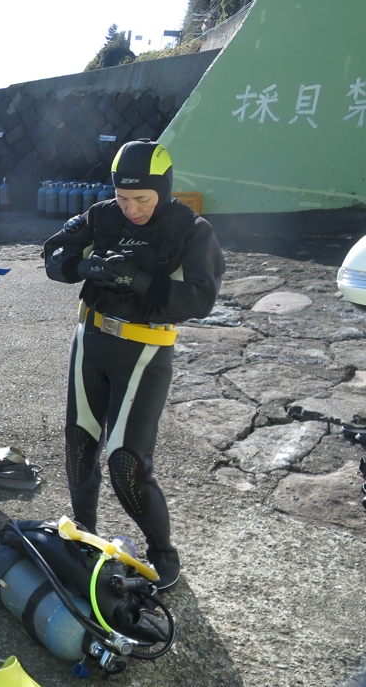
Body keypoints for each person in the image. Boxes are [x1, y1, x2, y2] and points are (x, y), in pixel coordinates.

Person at [42, 139, 225, 591]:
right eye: (124, 198)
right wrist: (87, 266)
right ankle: (83, 534)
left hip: (145, 350)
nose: (132, 208)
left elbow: (201, 299)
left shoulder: (190, 228)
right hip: (91, 337)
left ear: (163, 189)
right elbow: (52, 256)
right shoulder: (102, 215)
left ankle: (162, 551)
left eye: (142, 198)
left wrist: (138, 279)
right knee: (79, 444)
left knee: (126, 464)